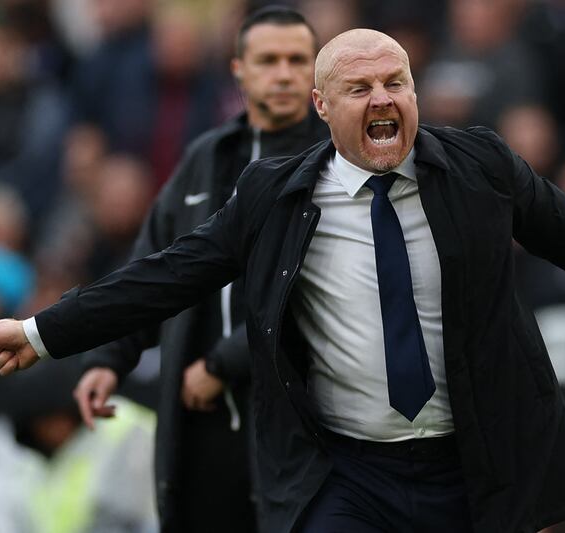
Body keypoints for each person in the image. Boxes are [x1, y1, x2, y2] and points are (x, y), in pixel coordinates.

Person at [0, 29, 565, 533]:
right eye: (360, 89)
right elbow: (168, 275)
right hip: (349, 474)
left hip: (475, 464)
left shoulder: (481, 167)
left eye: (397, 82)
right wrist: (41, 333)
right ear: (322, 108)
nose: (384, 99)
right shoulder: (273, 196)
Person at [69, 6, 327, 533]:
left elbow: (313, 291)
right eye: (268, 60)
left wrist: (221, 364)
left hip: (300, 418)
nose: (283, 73)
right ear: (238, 70)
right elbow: (153, 263)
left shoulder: (335, 163)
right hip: (200, 421)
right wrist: (111, 357)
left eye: (297, 60)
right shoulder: (206, 158)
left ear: (316, 73)